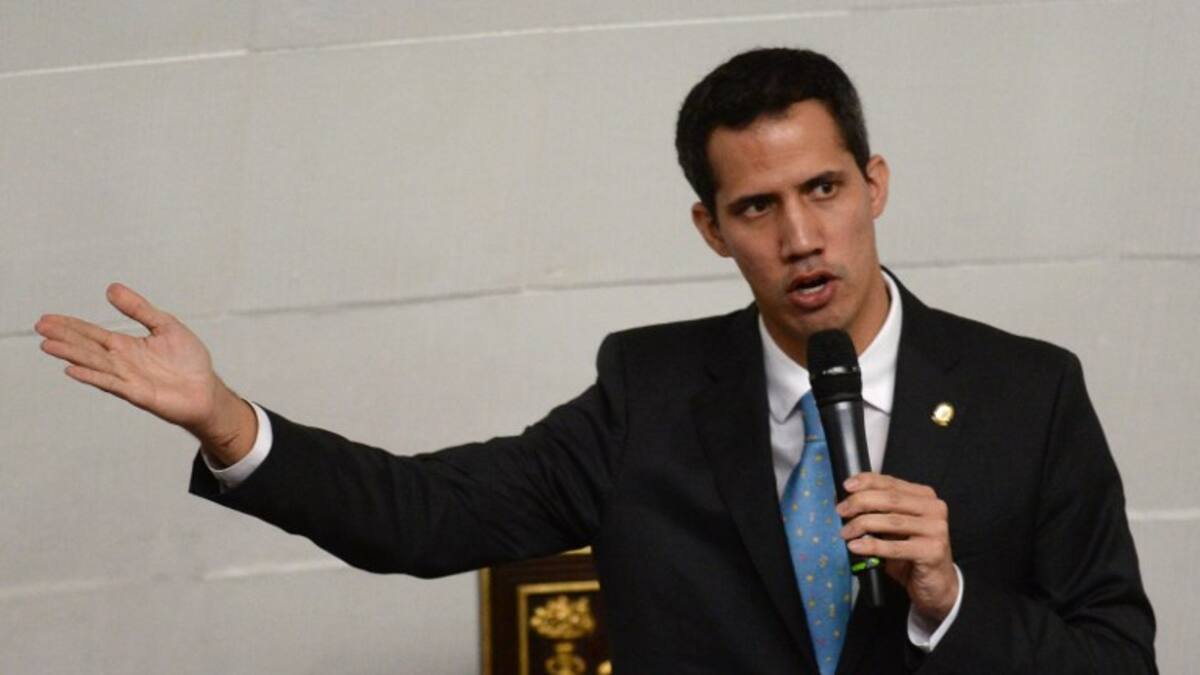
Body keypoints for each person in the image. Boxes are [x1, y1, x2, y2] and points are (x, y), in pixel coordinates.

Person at [35, 48, 1155, 673]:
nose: (801, 237)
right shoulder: (649, 395)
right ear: (711, 229)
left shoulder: (1029, 392)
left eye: (823, 189)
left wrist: (948, 600)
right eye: (756, 207)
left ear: (876, 185)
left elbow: (1116, 660)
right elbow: (425, 517)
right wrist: (228, 422)